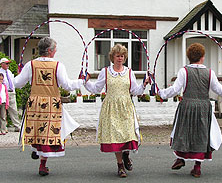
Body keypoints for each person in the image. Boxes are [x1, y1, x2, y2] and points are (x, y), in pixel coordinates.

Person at [158, 43, 222, 178]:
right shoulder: (209, 73)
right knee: (201, 135)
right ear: (202, 57)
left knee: (183, 132)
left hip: (187, 105)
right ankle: (197, 167)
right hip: (203, 107)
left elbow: (175, 89)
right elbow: (221, 91)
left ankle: (181, 158)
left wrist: (161, 93)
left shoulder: (184, 71)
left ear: (189, 56)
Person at [14, 37, 84, 176]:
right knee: (49, 133)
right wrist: (82, 81)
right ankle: (42, 164)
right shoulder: (58, 66)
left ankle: (36, 151)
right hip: (51, 104)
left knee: (36, 130)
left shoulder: (30, 65)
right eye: (55, 49)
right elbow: (67, 85)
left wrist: (17, 74)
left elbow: (17, 83)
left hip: (35, 102)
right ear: (50, 51)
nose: (56, 51)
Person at [85, 44, 150, 178]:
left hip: (126, 107)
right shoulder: (106, 72)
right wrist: (86, 82)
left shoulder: (129, 72)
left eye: (122, 56)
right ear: (112, 57)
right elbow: (97, 88)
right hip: (111, 108)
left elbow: (134, 91)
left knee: (128, 134)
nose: (120, 58)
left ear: (125, 57)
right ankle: (120, 165)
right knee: (115, 137)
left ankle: (126, 155)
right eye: (117, 56)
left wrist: (143, 85)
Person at [0, 58, 20, 132]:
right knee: (3, 112)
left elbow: (13, 81)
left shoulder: (9, 72)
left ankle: (17, 125)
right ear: (2, 64)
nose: (8, 65)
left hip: (11, 92)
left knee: (14, 110)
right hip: (4, 93)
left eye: (8, 63)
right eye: (6, 63)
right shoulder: (0, 72)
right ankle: (4, 128)